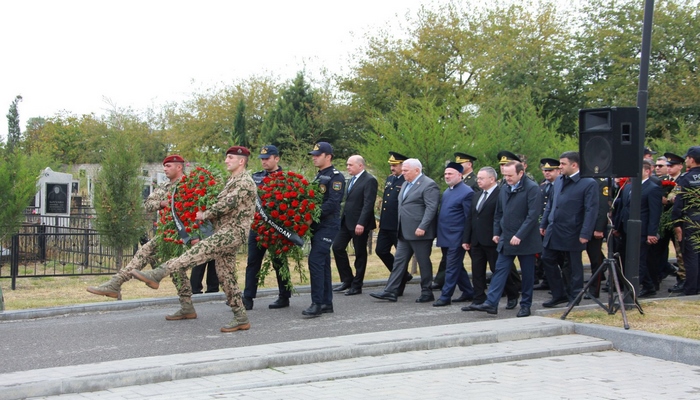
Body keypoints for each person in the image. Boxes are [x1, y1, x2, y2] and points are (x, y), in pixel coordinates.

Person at [131, 146, 257, 333]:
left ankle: (157, 274)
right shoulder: (231, 180)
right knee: (226, 276)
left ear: (241, 161)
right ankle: (241, 317)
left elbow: (226, 205)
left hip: (232, 233)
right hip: (224, 232)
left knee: (195, 253)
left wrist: (204, 214)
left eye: (230, 157)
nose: (226, 160)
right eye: (226, 157)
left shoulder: (244, 182)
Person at [87, 155, 195, 321]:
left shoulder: (190, 185)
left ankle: (116, 283)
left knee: (168, 265)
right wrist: (162, 204)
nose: (165, 169)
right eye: (164, 166)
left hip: (183, 233)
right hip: (166, 233)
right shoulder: (164, 186)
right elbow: (149, 204)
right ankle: (186, 307)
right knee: (167, 265)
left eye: (169, 166)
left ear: (179, 167)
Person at [466, 161, 542, 317]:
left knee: (527, 275)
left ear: (521, 173)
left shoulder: (532, 188)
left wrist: (519, 235)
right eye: (505, 175)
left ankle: (525, 305)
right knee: (499, 271)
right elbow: (499, 213)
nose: (506, 178)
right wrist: (496, 232)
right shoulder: (505, 188)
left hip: (526, 240)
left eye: (510, 175)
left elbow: (532, 216)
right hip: (506, 238)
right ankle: (491, 303)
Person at [370, 158, 440, 303]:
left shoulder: (428, 184)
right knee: (399, 262)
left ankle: (427, 291)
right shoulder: (406, 184)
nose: (403, 173)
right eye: (402, 170)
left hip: (419, 232)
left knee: (423, 262)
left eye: (406, 170)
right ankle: (391, 291)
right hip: (403, 232)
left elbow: (431, 208)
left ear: (417, 170)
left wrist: (423, 226)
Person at [540, 151, 599, 308]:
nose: (560, 167)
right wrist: (544, 224)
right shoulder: (559, 180)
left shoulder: (588, 183)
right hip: (554, 229)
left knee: (573, 266)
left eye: (563, 164)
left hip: (573, 230)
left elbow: (591, 210)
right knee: (547, 258)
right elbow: (552, 204)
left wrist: (586, 233)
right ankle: (559, 294)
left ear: (574, 165)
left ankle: (575, 295)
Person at [463, 167, 521, 310]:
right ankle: (478, 298)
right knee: (477, 270)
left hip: (493, 239)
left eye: (482, 178)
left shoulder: (501, 194)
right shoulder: (476, 195)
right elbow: (471, 217)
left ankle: (512, 294)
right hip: (477, 239)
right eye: (478, 178)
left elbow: (503, 216)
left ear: (492, 179)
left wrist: (501, 235)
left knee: (498, 269)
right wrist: (466, 238)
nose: (478, 180)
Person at [243, 145, 292, 310]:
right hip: (258, 226)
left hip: (276, 228)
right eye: (262, 159)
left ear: (276, 158)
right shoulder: (255, 177)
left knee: (279, 262)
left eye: (267, 158)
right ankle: (248, 297)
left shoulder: (286, 178)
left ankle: (284, 296)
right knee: (253, 262)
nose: (264, 162)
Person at [303, 142, 345, 317]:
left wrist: (311, 216)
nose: (314, 157)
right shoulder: (318, 177)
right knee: (323, 263)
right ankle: (327, 302)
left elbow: (333, 203)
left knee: (315, 260)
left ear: (328, 156)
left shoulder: (336, 177)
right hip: (317, 225)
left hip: (327, 224)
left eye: (317, 155)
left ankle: (317, 303)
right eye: (313, 154)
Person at [612, 159, 663, 297]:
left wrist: (652, 233)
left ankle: (637, 288)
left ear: (647, 171)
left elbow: (654, 213)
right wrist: (617, 226)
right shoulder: (628, 186)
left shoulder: (653, 188)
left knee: (639, 260)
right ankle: (647, 285)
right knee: (626, 258)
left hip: (641, 230)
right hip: (625, 228)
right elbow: (622, 208)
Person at [332, 155, 378, 295]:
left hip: (359, 224)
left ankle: (357, 285)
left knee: (360, 253)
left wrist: (361, 223)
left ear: (360, 166)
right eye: (347, 164)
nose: (347, 167)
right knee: (337, 247)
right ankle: (347, 280)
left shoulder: (369, 180)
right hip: (346, 221)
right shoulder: (352, 180)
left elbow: (368, 204)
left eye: (350, 165)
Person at [433, 162, 474, 306]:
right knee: (456, 266)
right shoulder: (447, 191)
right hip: (445, 236)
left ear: (460, 175)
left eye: (450, 174)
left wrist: (466, 238)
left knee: (451, 267)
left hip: (457, 237)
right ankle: (469, 291)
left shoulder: (467, 192)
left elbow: (469, 218)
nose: (447, 176)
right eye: (445, 174)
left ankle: (445, 296)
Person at [375, 152, 413, 290]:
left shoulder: (407, 181)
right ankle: (404, 276)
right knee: (381, 250)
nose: (392, 168)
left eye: (395, 165)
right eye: (391, 165)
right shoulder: (390, 179)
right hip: (386, 224)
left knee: (400, 257)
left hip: (398, 225)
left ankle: (398, 286)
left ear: (403, 165)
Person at [671, 146, 700, 296]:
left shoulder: (686, 178)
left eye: (687, 158)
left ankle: (691, 289)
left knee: (691, 256)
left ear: (692, 160)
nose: (686, 160)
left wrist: (676, 223)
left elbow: (678, 204)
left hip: (691, 221)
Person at [533, 158, 561, 290]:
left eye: (550, 170)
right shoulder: (543, 186)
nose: (547, 173)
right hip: (544, 225)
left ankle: (561, 284)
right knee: (543, 256)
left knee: (558, 257)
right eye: (545, 170)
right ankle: (546, 280)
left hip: (556, 225)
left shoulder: (560, 185)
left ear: (558, 170)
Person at [665, 152, 687, 293]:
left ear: (680, 166)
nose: (668, 168)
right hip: (670, 222)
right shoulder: (664, 180)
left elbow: (675, 198)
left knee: (682, 252)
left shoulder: (684, 179)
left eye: (671, 166)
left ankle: (683, 279)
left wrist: (668, 198)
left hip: (683, 221)